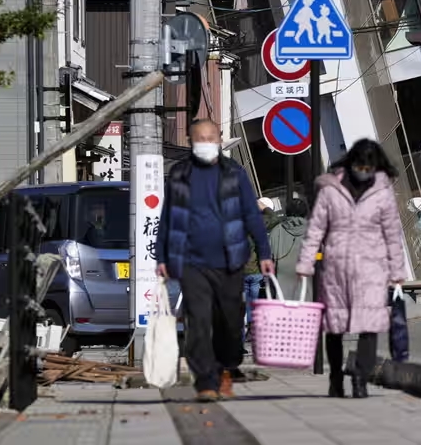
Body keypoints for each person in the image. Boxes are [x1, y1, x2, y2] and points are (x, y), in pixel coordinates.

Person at [155, 119, 274, 402]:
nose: (206, 142)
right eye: (200, 138)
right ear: (189, 140)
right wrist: (161, 255)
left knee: (229, 322)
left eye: (211, 137)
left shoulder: (235, 173)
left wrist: (264, 252)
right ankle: (205, 381)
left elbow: (251, 215)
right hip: (191, 261)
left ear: (219, 140)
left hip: (230, 260)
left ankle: (226, 368)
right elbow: (167, 217)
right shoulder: (179, 174)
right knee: (198, 321)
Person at [296, 139, 406, 399]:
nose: (363, 171)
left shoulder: (382, 192)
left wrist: (397, 271)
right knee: (334, 327)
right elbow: (316, 229)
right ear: (351, 163)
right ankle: (336, 377)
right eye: (359, 165)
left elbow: (392, 233)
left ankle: (360, 378)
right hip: (336, 268)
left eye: (368, 167)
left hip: (371, 269)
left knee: (369, 326)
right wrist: (306, 263)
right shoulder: (330, 190)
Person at [241, 197, 283, 346]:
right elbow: (274, 219)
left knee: (243, 306)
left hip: (241, 271)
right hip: (255, 271)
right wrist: (264, 207)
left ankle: (243, 336)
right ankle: (255, 331)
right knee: (256, 303)